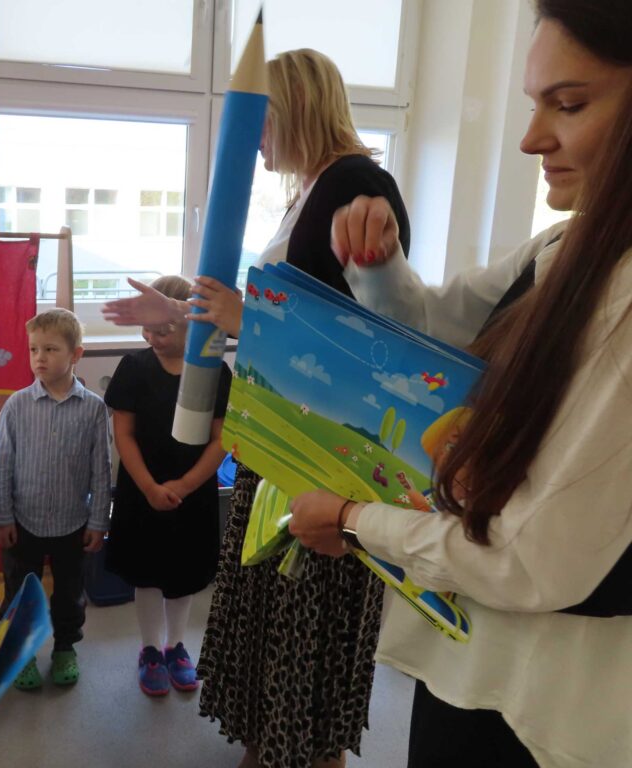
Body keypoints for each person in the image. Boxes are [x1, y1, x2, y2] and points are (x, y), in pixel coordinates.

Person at [290, 3, 632, 765]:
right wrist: (380, 268)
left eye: (569, 104)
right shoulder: (563, 246)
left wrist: (354, 520)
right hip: (479, 656)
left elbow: (529, 561)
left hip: (551, 702)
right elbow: (439, 332)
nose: (530, 139)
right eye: (535, 103)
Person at [104, 50, 410, 767]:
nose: (254, 139)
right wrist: (180, 313)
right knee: (274, 616)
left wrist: (239, 317)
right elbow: (277, 318)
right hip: (279, 442)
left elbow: (368, 346)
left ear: (295, 107)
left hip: (318, 455)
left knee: (304, 619)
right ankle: (272, 745)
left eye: (259, 120)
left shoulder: (356, 185)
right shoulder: (314, 190)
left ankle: (302, 750)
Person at [103, 275, 232, 697]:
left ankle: (176, 646)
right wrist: (148, 487)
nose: (152, 338)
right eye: (148, 329)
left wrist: (186, 484)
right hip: (143, 490)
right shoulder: (134, 368)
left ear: (191, 324)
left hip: (192, 493)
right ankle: (149, 649)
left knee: (184, 572)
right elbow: (123, 435)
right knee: (146, 573)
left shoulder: (215, 373)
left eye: (163, 330)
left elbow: (222, 438)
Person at [0, 308, 111, 689]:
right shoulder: (16, 406)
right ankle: (20, 653)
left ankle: (64, 648)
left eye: (51, 349)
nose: (39, 358)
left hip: (72, 525)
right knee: (19, 593)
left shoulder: (93, 409)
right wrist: (1, 516)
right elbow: (1, 466)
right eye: (33, 349)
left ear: (76, 354)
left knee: (70, 594)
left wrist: (98, 521)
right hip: (23, 523)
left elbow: (102, 470)